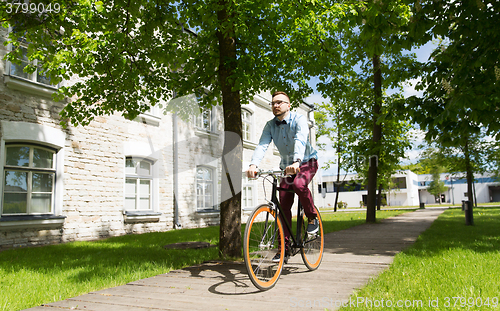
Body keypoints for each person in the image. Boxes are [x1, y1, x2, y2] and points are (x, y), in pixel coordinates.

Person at [246, 91, 319, 262]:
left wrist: (296, 162)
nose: (275, 105)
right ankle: (284, 248)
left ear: (288, 105)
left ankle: (312, 217)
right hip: (286, 167)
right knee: (283, 205)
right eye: (273, 103)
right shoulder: (270, 125)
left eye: (279, 102)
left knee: (300, 184)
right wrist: (253, 164)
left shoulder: (299, 119)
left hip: (307, 161)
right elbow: (262, 145)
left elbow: (301, 139)